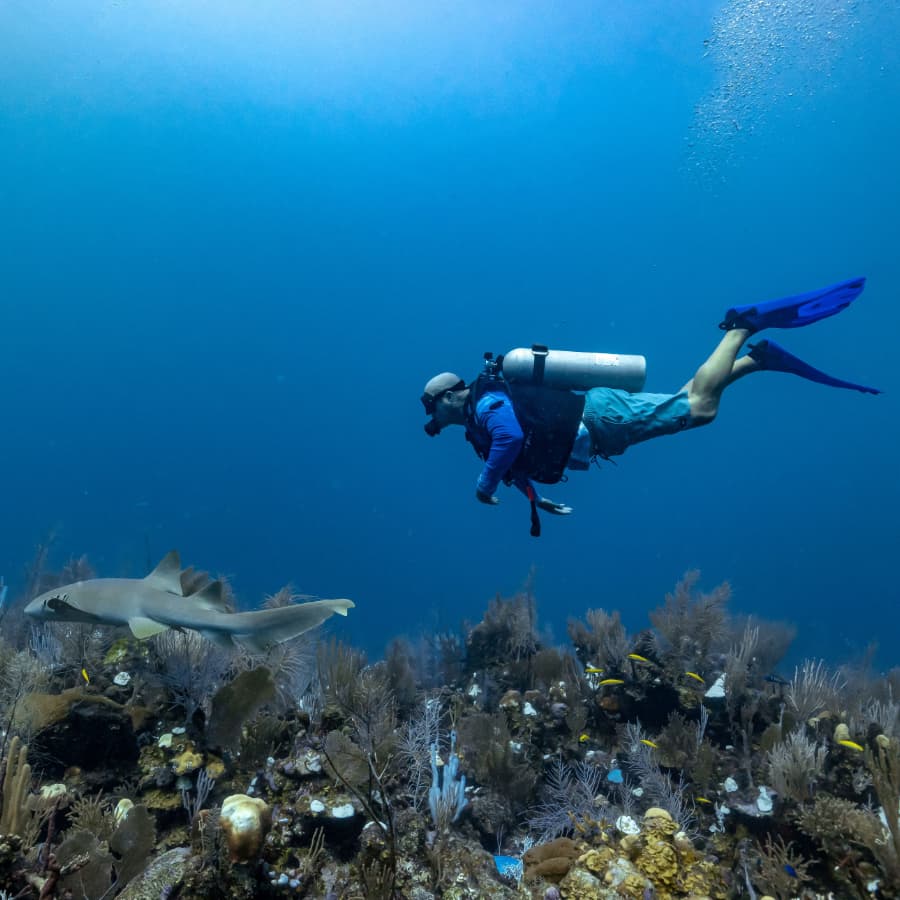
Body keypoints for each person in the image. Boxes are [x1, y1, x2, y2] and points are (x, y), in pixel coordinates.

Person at [421, 277, 880, 535]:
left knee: (698, 409)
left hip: (599, 421)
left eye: (431, 407)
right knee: (688, 400)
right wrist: (536, 499)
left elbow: (511, 436)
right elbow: (519, 454)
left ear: (446, 397)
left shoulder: (485, 402)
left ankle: (740, 328)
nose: (432, 419)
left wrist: (485, 485)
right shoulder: (480, 417)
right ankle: (753, 362)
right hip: (599, 419)